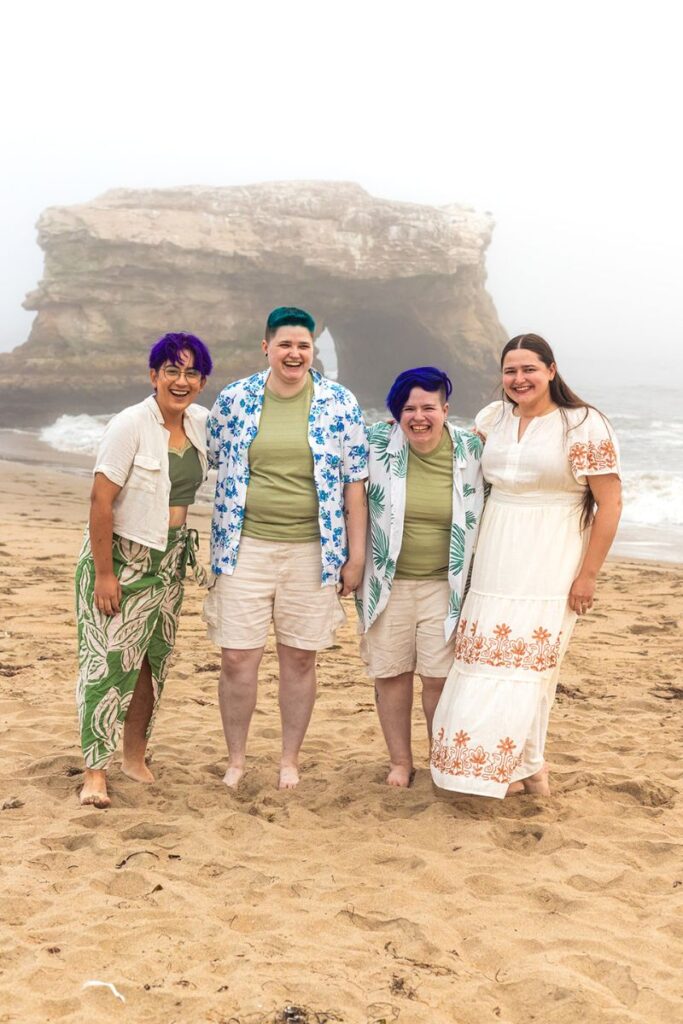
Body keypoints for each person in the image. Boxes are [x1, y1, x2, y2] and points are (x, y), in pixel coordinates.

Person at [430, 334, 622, 798]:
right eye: (511, 371)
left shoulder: (583, 424)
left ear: (552, 370)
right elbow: (458, 472)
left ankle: (523, 765)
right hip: (495, 553)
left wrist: (588, 574)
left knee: (533, 666)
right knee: (481, 659)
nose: (519, 379)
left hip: (552, 555)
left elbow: (610, 504)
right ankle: (524, 766)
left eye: (529, 369)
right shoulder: (493, 419)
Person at [204, 306, 368, 790]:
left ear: (314, 350)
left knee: (299, 658)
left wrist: (355, 558)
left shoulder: (340, 402)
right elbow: (208, 456)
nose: (294, 354)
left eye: (304, 346)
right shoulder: (235, 398)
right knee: (237, 658)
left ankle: (288, 760)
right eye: (285, 345)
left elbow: (354, 483)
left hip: (313, 551)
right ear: (267, 348)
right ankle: (236, 759)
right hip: (242, 547)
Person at [75, 332, 213, 808]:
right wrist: (105, 573)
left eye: (191, 372)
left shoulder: (201, 424)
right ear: (153, 376)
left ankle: (134, 757)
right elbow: (100, 500)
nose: (181, 380)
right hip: (122, 557)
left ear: (201, 382)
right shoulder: (129, 424)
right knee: (106, 665)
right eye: (171, 370)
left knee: (151, 665)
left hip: (171, 560)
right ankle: (95, 772)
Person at [356, 367, 485, 787]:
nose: (419, 416)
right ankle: (399, 762)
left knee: (437, 678)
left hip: (446, 586)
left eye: (429, 407)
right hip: (386, 582)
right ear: (396, 415)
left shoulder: (471, 449)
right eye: (408, 408)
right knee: (391, 674)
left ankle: (439, 761)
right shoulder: (375, 443)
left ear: (446, 410)